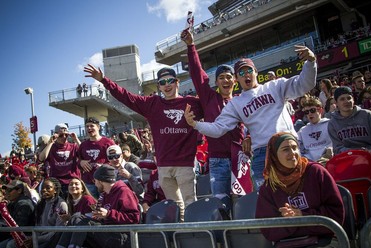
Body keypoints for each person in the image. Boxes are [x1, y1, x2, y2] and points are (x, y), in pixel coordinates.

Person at [185, 45, 317, 190]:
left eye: (249, 70)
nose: (246, 74)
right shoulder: (236, 103)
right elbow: (218, 128)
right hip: (261, 154)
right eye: (241, 72)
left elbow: (305, 84)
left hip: (286, 145)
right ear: (238, 78)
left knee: (299, 190)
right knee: (268, 199)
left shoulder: (275, 86)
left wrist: (310, 62)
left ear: (256, 72)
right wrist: (195, 124)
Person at [84, 64, 204, 219]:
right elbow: (126, 96)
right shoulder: (152, 104)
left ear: (177, 82)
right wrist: (104, 80)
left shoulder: (192, 103)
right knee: (174, 206)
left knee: (190, 204)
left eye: (170, 81)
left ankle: (197, 237)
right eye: (162, 82)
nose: (167, 85)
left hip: (185, 164)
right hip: (163, 166)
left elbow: (211, 102)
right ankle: (182, 237)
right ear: (158, 86)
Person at [255, 132, 345, 248]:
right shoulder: (269, 186)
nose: (293, 153)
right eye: (285, 149)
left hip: (324, 238)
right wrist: (288, 222)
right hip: (288, 242)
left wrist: (303, 216)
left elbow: (336, 214)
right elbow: (267, 227)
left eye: (294, 147)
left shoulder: (316, 172)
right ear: (274, 155)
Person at [181, 29, 247, 209]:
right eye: (221, 78)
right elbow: (196, 72)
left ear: (234, 80)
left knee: (242, 203)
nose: (225, 80)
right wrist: (190, 46)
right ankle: (224, 237)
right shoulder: (210, 98)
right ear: (216, 82)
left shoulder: (242, 100)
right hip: (217, 161)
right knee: (221, 205)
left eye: (228, 77)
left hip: (239, 159)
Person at [39, 164, 140, 248]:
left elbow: (134, 218)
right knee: (75, 217)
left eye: (95, 181)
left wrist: (109, 214)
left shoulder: (124, 191)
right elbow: (103, 219)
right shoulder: (104, 195)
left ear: (101, 180)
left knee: (80, 220)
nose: (94, 184)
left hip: (121, 240)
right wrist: (98, 216)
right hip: (108, 235)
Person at [38, 123, 81, 198]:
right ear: (56, 135)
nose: (64, 137)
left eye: (66, 135)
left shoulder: (73, 146)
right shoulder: (51, 147)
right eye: (61, 135)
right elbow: (42, 158)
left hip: (72, 182)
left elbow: (84, 152)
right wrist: (50, 142)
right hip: (57, 183)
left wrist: (76, 140)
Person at [328, 86, 371, 155]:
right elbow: (337, 149)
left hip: (370, 155)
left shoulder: (368, 115)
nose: (347, 101)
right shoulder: (332, 123)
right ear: (336, 103)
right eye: (342, 99)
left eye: (349, 98)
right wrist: (356, 152)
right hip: (348, 157)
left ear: (353, 100)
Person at [78, 117, 115, 198]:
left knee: (107, 206)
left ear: (98, 127)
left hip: (105, 182)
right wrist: (81, 162)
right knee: (92, 207)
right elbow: (77, 160)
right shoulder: (83, 145)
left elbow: (116, 160)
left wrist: (104, 166)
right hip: (89, 183)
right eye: (87, 126)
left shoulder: (108, 142)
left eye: (91, 126)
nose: (89, 128)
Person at [0, 180, 35, 248]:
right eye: (6, 190)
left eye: (9, 190)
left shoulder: (24, 204)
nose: (6, 193)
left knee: (9, 246)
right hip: (15, 234)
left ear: (19, 190)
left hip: (26, 236)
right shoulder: (13, 202)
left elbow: (18, 226)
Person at [33, 177, 68, 248]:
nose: (44, 190)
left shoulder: (61, 204)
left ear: (55, 190)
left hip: (51, 241)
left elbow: (58, 232)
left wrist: (36, 239)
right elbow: (37, 226)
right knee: (13, 246)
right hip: (39, 238)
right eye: (42, 188)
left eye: (48, 188)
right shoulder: (40, 204)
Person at [297, 96, 333, 164]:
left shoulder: (330, 124)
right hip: (310, 164)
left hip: (329, 160)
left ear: (320, 110)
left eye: (312, 110)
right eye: (307, 112)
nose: (310, 114)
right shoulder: (302, 130)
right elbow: (298, 148)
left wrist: (330, 152)